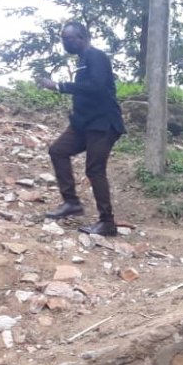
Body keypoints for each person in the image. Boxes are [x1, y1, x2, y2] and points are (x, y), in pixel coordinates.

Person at [36, 21, 125, 237]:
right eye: (63, 39)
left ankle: (107, 222)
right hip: (84, 124)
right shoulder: (83, 59)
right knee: (58, 151)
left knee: (95, 169)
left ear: (82, 37)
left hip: (103, 123)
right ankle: (71, 203)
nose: (65, 43)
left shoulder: (96, 56)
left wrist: (59, 86)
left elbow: (96, 86)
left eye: (68, 38)